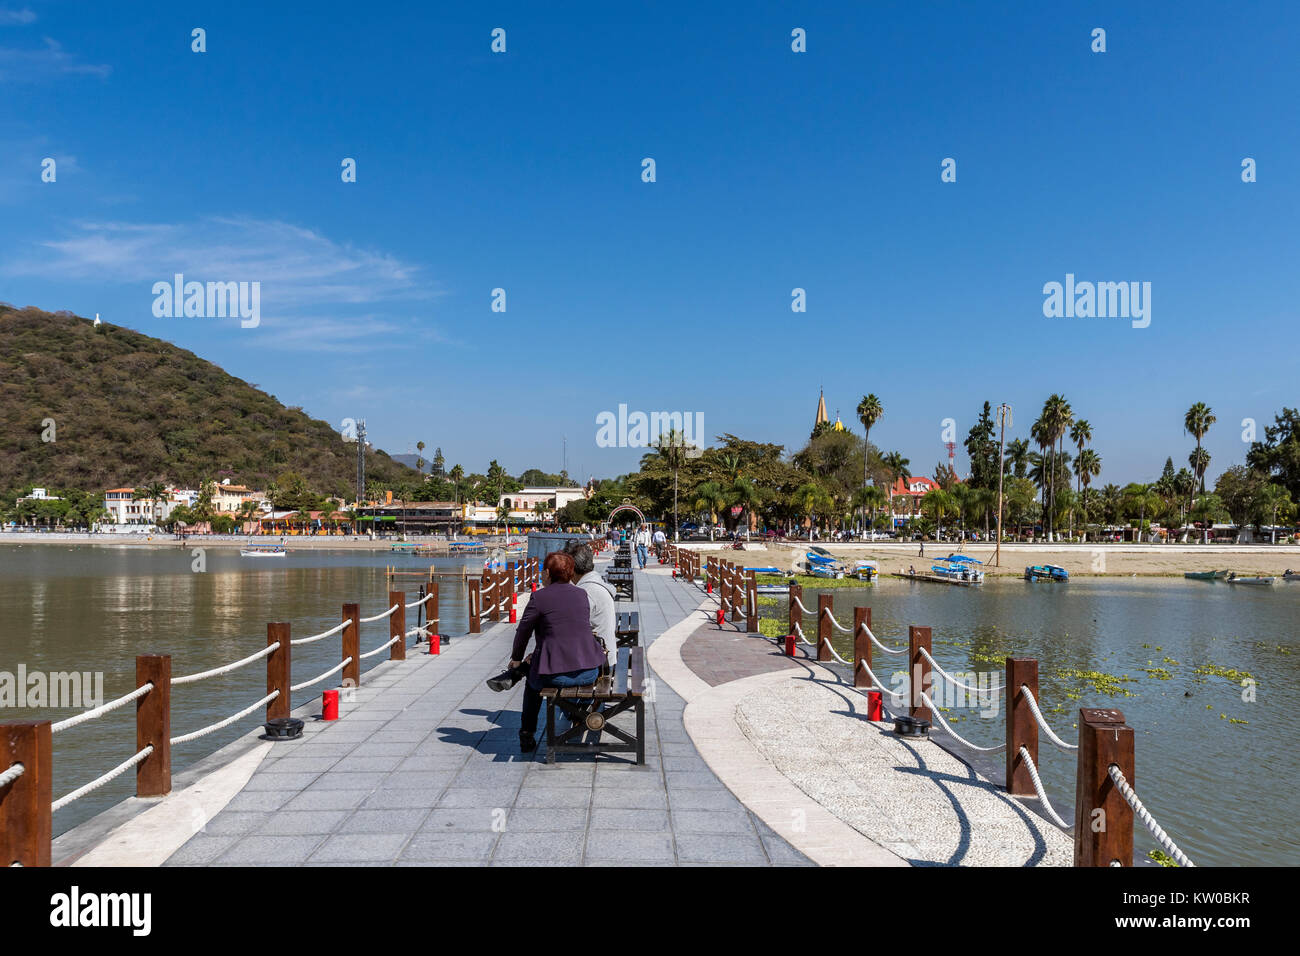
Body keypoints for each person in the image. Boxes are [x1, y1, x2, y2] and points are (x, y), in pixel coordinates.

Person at [507, 551, 606, 754]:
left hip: (556, 675)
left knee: (533, 683)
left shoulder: (539, 597)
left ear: (548, 574)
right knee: (537, 664)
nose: (542, 575)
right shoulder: (581, 594)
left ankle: (527, 734)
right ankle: (577, 714)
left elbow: (523, 632)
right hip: (590, 671)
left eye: (544, 572)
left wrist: (516, 658)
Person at [565, 540, 616, 668]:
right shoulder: (597, 583)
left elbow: (571, 631)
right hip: (607, 655)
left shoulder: (585, 592)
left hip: (598, 663)